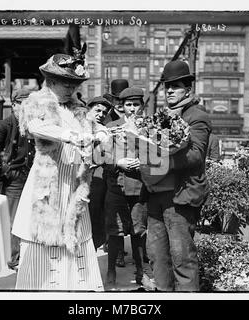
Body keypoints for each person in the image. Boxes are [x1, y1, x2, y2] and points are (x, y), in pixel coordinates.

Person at [11, 50, 104, 291]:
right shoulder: (36, 102)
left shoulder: (78, 108)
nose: (70, 89)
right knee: (45, 237)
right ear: (50, 81)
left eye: (74, 84)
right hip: (49, 181)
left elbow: (95, 127)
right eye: (65, 83)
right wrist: (71, 135)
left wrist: (100, 134)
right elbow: (36, 126)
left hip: (73, 182)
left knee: (73, 235)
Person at [142, 60, 211, 291]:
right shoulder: (161, 115)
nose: (169, 90)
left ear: (188, 90)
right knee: (157, 256)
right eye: (166, 87)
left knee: (182, 257)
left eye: (176, 86)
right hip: (157, 195)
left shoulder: (197, 116)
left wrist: (160, 162)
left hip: (180, 197)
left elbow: (196, 156)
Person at [103, 87, 148, 286]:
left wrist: (144, 162)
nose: (132, 109)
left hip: (139, 187)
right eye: (128, 105)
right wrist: (117, 163)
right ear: (122, 107)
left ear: (142, 106)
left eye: (136, 105)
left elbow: (162, 155)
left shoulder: (150, 127)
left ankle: (140, 271)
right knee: (115, 231)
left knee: (139, 231)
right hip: (117, 187)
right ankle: (111, 270)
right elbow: (101, 156)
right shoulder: (112, 127)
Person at [0, 88, 35, 270]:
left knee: (30, 217)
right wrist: (9, 173)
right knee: (14, 218)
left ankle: (27, 254)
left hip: (32, 175)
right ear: (14, 105)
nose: (28, 108)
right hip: (15, 178)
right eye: (23, 104)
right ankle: (14, 259)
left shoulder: (33, 125)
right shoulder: (4, 125)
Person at [85, 96, 113, 250]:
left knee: (94, 213)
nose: (101, 114)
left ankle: (92, 248)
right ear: (89, 109)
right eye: (97, 110)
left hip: (94, 175)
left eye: (104, 112)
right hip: (74, 176)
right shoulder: (79, 125)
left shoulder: (102, 130)